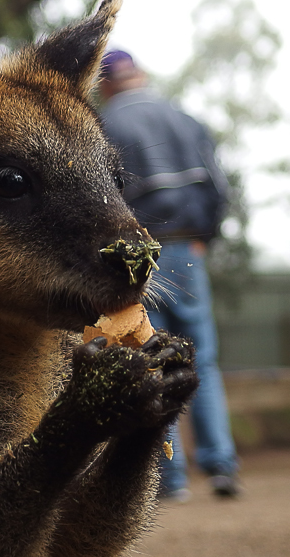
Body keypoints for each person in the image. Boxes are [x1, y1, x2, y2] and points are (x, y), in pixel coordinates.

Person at [98, 50, 240, 501]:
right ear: (139, 75)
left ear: (105, 84)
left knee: (148, 359)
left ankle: (169, 477)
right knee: (204, 360)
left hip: (137, 252)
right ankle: (221, 465)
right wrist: (206, 236)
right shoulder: (185, 118)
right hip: (188, 246)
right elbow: (219, 187)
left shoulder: (106, 124)